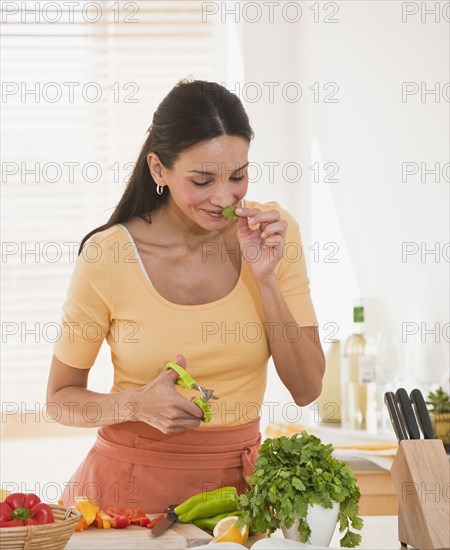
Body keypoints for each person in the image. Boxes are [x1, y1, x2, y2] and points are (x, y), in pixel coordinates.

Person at [46, 79, 325, 513]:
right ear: (159, 170)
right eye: (201, 180)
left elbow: (307, 388)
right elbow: (60, 401)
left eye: (238, 176)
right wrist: (137, 404)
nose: (223, 197)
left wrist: (266, 278)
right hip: (124, 495)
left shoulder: (271, 235)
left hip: (238, 497)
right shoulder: (108, 255)